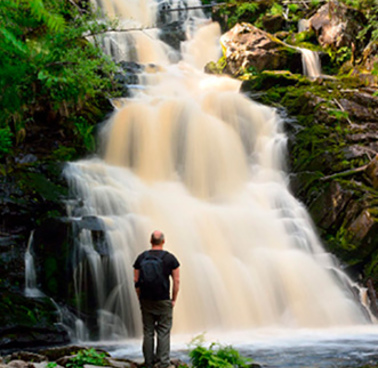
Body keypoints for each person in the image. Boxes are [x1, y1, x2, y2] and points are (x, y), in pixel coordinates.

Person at [133, 230, 180, 368]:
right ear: (163, 241)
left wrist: (140, 297)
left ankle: (148, 362)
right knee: (163, 331)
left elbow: (136, 280)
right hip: (163, 299)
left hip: (146, 299)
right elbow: (176, 281)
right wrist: (173, 299)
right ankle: (163, 363)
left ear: (150, 241)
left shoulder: (141, 258)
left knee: (148, 331)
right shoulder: (170, 258)